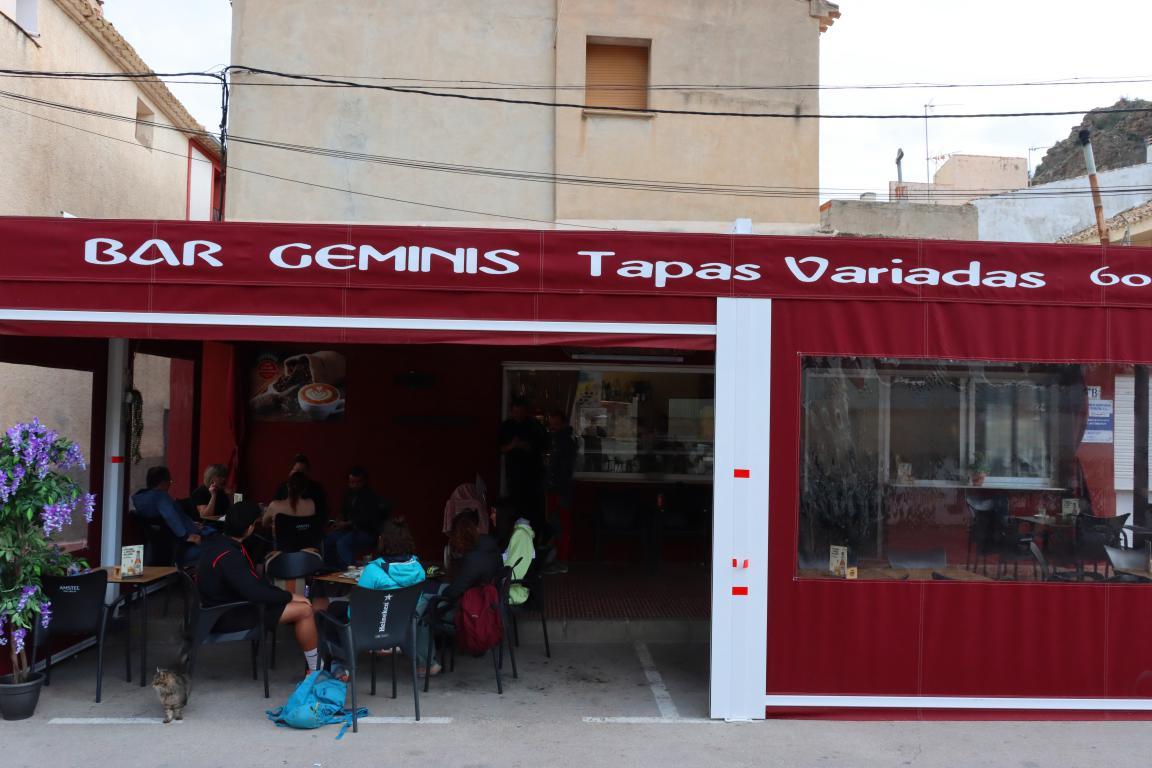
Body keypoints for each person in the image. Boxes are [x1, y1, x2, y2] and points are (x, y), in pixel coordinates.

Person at [196, 501, 320, 674]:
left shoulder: (219, 545)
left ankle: (315, 667)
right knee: (305, 610)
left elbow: (254, 585)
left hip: (227, 606)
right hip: (228, 614)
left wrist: (284, 595)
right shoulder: (229, 555)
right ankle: (315, 670)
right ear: (249, 528)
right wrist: (289, 596)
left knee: (299, 604)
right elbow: (254, 592)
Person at [132, 466, 203, 564]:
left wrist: (191, 523)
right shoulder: (161, 497)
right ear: (162, 483)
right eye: (170, 481)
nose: (170, 484)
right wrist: (186, 536)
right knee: (213, 548)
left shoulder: (142, 499)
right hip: (180, 547)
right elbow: (171, 517)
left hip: (160, 548)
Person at [498, 398, 547, 530]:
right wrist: (512, 446)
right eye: (516, 412)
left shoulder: (534, 425)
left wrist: (530, 447)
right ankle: (517, 532)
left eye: (521, 412)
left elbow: (544, 445)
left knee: (532, 508)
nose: (518, 415)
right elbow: (499, 448)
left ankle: (533, 532)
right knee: (516, 506)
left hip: (533, 474)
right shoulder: (506, 426)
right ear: (511, 412)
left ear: (526, 412)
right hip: (514, 474)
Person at [322, 467, 386, 568]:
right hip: (349, 530)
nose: (355, 485)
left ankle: (350, 571)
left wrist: (347, 524)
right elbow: (343, 511)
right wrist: (338, 521)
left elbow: (366, 520)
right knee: (329, 539)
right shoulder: (348, 494)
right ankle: (332, 569)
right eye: (352, 482)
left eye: (358, 482)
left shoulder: (370, 496)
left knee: (343, 542)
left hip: (366, 532)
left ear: (364, 481)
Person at [545, 411, 576, 572]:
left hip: (560, 490)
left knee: (560, 526)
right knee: (558, 525)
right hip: (558, 489)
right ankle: (558, 558)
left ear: (563, 424)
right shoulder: (561, 440)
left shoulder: (564, 442)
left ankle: (561, 561)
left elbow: (563, 470)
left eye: (556, 424)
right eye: (551, 424)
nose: (553, 427)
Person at [492, 500, 534, 606]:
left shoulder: (520, 535)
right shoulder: (510, 533)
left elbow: (513, 570)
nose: (491, 516)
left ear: (503, 514)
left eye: (494, 512)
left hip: (511, 588)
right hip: (505, 583)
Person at [273, 453, 328, 520]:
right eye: (297, 471)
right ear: (291, 471)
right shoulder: (282, 487)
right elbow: (275, 510)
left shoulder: (317, 488)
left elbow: (323, 513)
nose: (300, 475)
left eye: (303, 471)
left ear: (308, 472)